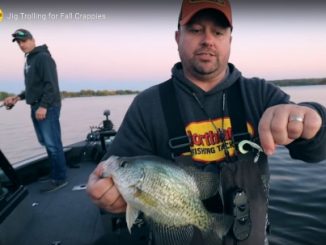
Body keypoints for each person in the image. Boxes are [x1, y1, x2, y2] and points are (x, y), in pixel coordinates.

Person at [87, 1, 326, 244]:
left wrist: (314, 118)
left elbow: (316, 151)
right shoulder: (147, 105)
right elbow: (111, 171)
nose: (207, 40)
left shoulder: (261, 95)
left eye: (218, 32)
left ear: (230, 41)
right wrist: (104, 193)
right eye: (195, 29)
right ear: (178, 37)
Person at [3, 29, 69, 193]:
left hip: (46, 108)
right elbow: (33, 89)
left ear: (32, 40)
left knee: (53, 144)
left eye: (24, 41)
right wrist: (17, 97)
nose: (21, 45)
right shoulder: (29, 60)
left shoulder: (43, 58)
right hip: (36, 106)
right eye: (18, 43)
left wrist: (44, 106)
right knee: (46, 143)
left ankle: (60, 178)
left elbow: (51, 87)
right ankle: (55, 173)